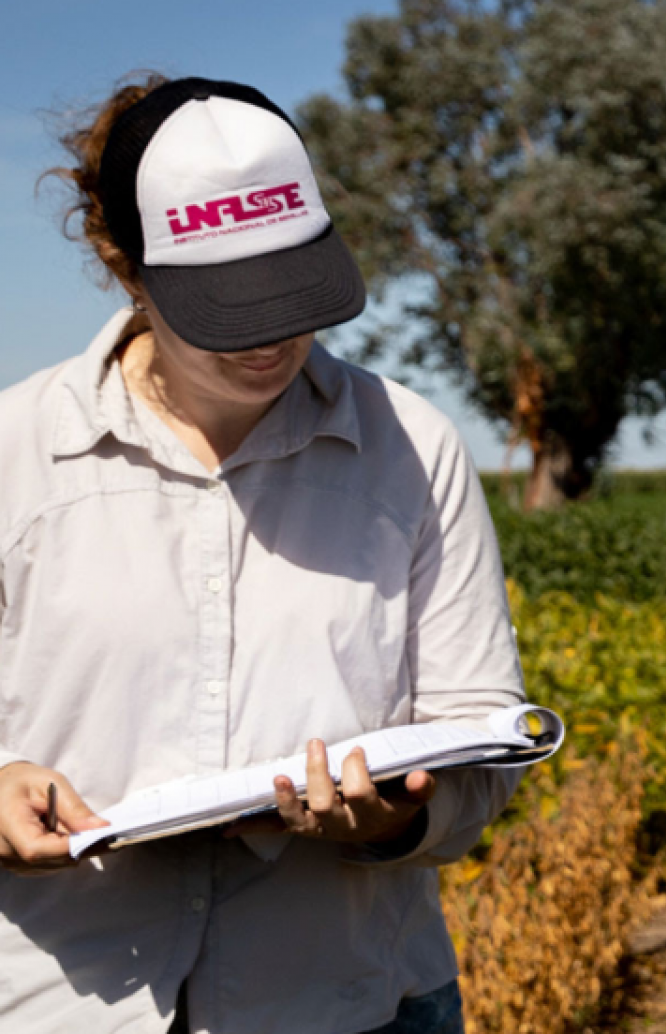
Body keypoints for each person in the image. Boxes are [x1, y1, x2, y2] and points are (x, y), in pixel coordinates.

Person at [0, 75, 523, 1033]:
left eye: (293, 290)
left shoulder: (412, 447)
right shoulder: (14, 452)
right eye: (227, 306)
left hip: (348, 999)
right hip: (58, 1002)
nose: (274, 338)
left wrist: (396, 816)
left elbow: (480, 735)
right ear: (125, 265)